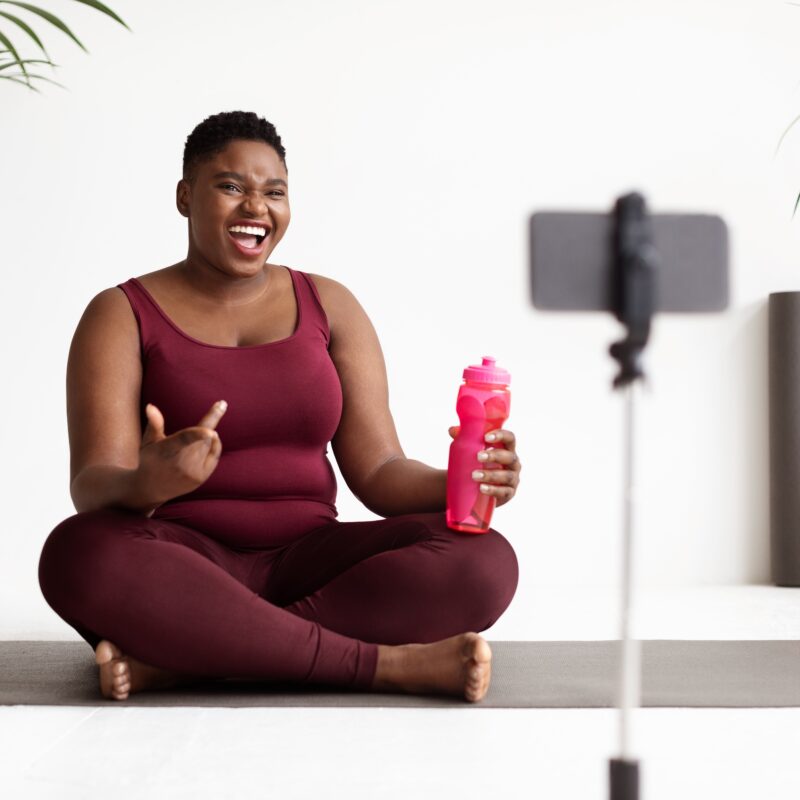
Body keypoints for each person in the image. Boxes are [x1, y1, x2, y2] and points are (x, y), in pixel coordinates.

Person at [37, 111, 522, 703]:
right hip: (182, 563)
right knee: (78, 554)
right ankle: (386, 666)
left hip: (310, 559)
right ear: (185, 196)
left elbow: (380, 472)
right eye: (232, 187)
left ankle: (195, 659)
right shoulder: (119, 313)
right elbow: (91, 488)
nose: (255, 208)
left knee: (485, 561)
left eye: (274, 192)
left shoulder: (330, 304)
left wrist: (465, 482)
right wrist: (147, 481)